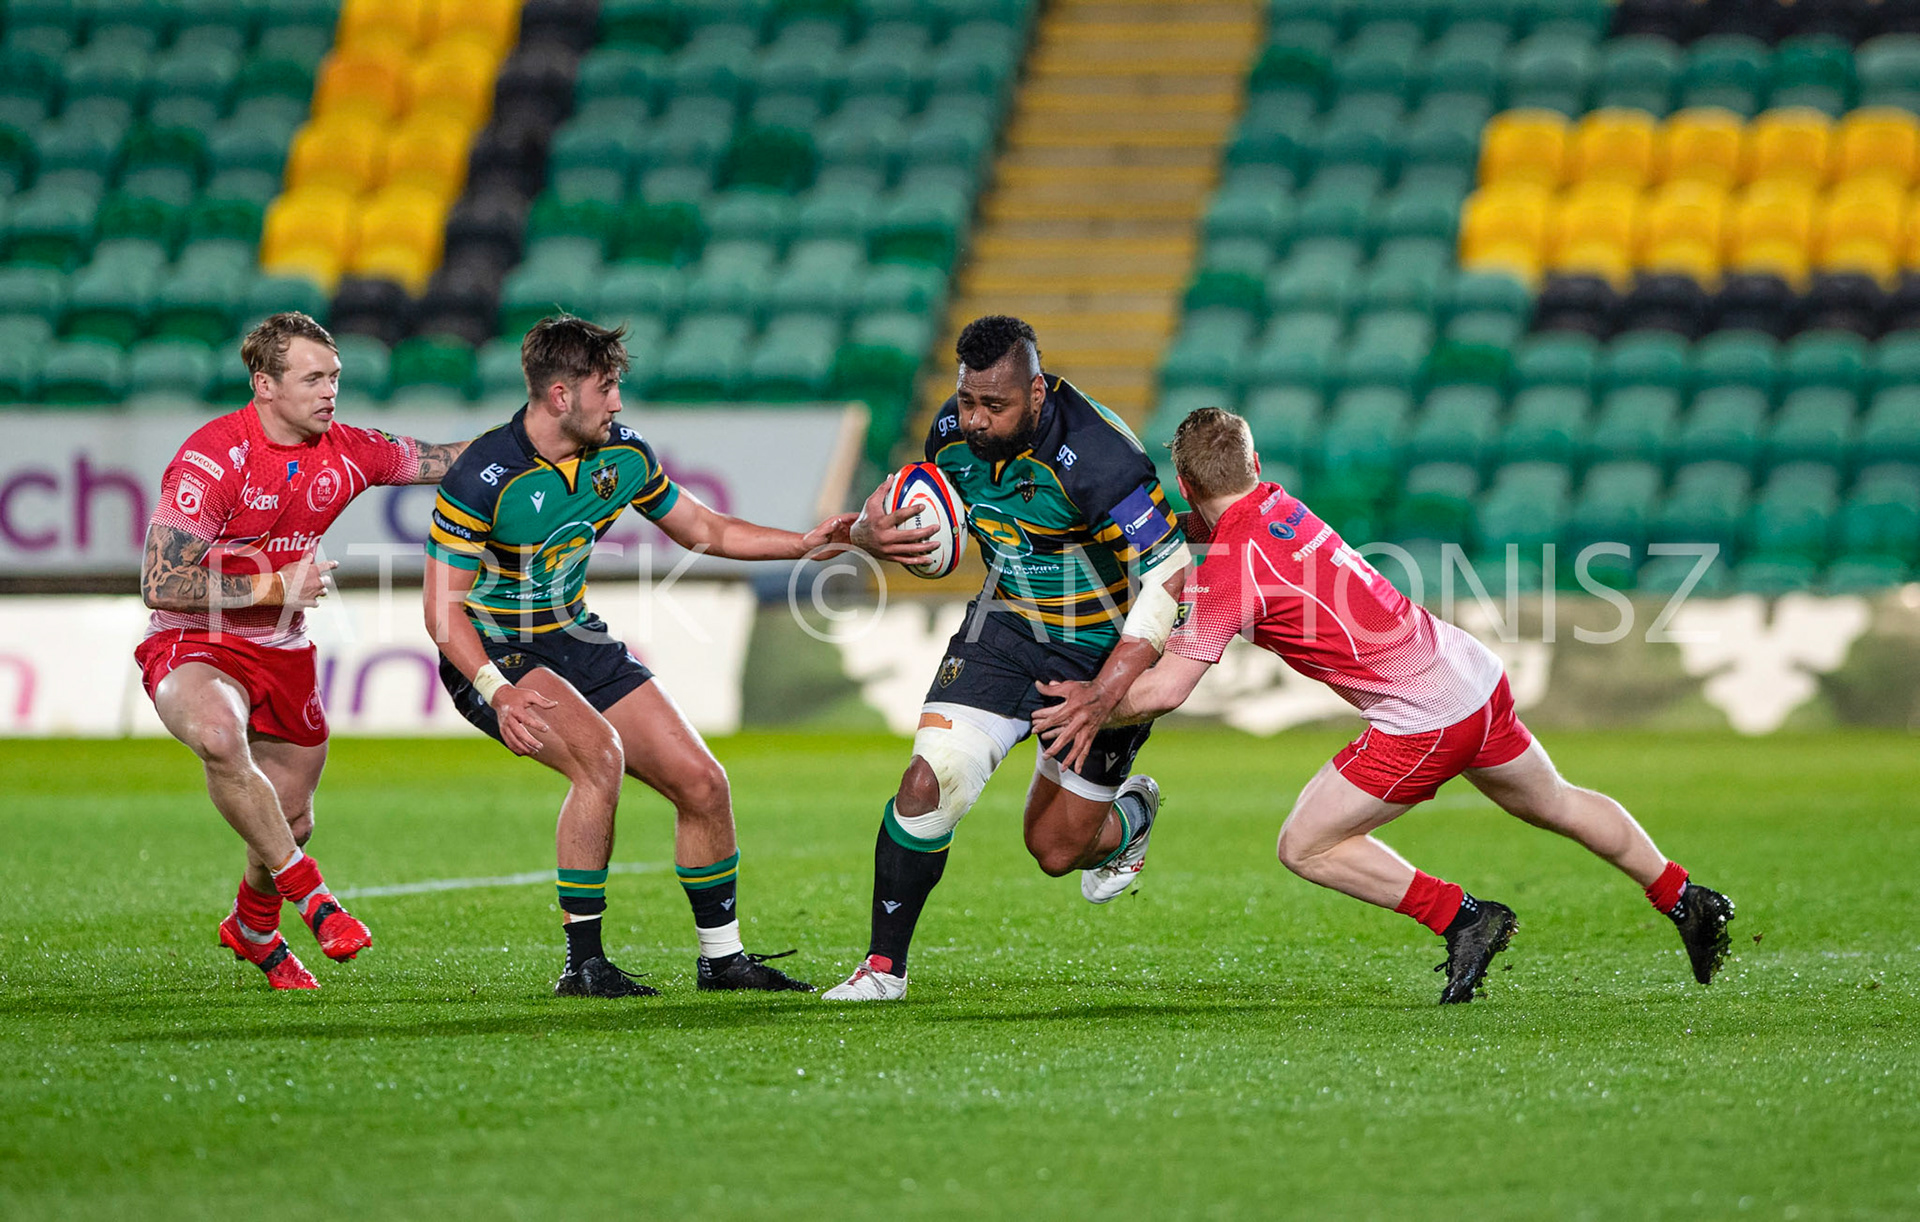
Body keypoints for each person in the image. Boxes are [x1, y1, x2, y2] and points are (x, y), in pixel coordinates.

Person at [1032, 407, 1736, 1004]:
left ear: (1185, 480)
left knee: (1305, 846)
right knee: (1553, 799)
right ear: (1254, 464)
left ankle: (1464, 917)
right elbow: (1219, 530)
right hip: (1470, 672)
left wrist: (1087, 709)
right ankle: (1684, 895)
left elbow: (1166, 691)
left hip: (1426, 716)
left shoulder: (1231, 569)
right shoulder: (1275, 504)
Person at [424, 315, 857, 998]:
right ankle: (583, 964)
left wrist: (804, 543)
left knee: (703, 782)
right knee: (599, 757)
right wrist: (496, 690)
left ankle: (723, 961)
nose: (618, 403)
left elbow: (706, 529)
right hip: (492, 649)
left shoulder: (621, 455)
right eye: (607, 388)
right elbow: (442, 611)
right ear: (561, 396)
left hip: (573, 634)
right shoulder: (484, 476)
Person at [822, 315, 1193, 1002]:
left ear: (1038, 394)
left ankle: (1132, 818)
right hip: (1006, 630)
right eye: (967, 400)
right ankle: (882, 969)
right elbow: (928, 517)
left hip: (1100, 651)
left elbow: (1172, 576)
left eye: (995, 405)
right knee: (928, 785)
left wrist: (1107, 692)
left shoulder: (1099, 455)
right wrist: (871, 535)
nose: (976, 420)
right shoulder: (952, 434)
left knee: (1054, 849)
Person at [137, 312, 472, 990]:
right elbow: (160, 581)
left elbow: (445, 459)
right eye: (313, 378)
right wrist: (271, 582)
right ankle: (314, 899)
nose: (330, 392)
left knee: (291, 818)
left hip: (283, 648)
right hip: (192, 638)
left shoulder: (349, 450)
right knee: (217, 733)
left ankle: (255, 926)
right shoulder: (215, 457)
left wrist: (547, 445)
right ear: (264, 384)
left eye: (336, 378)